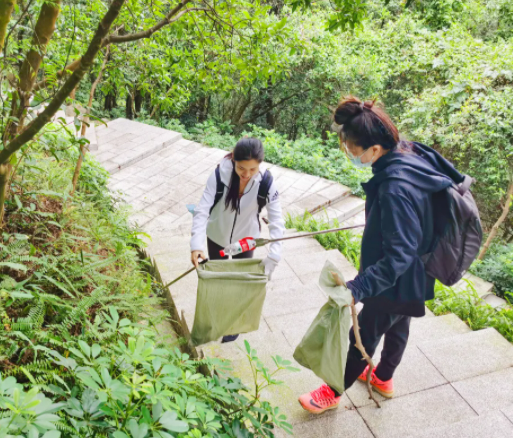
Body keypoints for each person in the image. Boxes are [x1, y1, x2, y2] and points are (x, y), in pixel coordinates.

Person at [299, 97, 466, 414]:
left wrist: (359, 286)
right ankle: (384, 378)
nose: (351, 154)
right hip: (419, 268)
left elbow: (398, 255)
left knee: (362, 334)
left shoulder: (393, 189)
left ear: (374, 149)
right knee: (400, 324)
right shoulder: (407, 150)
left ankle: (332, 392)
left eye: (352, 150)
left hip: (394, 277)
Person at [190, 137, 285, 343]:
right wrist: (196, 245)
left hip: (246, 240)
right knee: (218, 283)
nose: (246, 174)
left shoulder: (267, 183)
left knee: (241, 284)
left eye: (252, 169)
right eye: (242, 168)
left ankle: (232, 328)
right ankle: (214, 322)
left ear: (259, 165)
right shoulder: (218, 175)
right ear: (233, 159)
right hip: (217, 236)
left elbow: (277, 221)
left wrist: (275, 255)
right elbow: (202, 210)